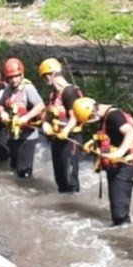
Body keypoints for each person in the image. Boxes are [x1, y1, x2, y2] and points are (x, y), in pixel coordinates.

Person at [72, 97, 133, 226]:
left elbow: (131, 133)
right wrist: (93, 143)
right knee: (117, 207)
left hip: (125, 166)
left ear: (93, 113)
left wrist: (119, 152)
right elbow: (110, 136)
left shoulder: (114, 116)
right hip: (117, 166)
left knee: (119, 214)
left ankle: (122, 234)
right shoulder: (105, 116)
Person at [39, 58, 83, 193]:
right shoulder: (54, 94)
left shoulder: (69, 92)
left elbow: (74, 117)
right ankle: (63, 205)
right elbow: (48, 114)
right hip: (57, 139)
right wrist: (45, 123)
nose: (46, 81)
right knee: (61, 179)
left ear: (50, 75)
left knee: (70, 179)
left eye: (45, 77)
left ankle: (73, 206)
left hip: (71, 139)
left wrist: (66, 131)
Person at [0, 58, 45, 178]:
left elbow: (40, 105)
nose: (13, 80)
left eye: (16, 76)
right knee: (13, 167)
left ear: (22, 74)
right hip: (13, 135)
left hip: (28, 136)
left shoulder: (28, 89)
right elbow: (1, 105)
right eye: (10, 77)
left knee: (23, 172)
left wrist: (26, 117)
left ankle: (27, 190)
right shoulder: (8, 89)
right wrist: (2, 112)